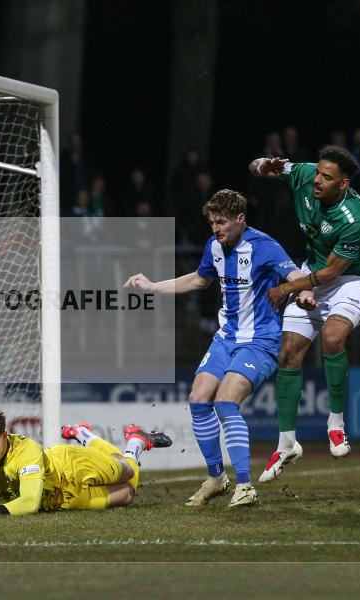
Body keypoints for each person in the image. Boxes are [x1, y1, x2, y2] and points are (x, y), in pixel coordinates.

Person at [124, 189, 303, 507]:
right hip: (226, 337)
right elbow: (198, 279)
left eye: (221, 222)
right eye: (211, 223)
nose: (216, 229)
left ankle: (245, 486)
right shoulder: (214, 247)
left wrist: (302, 291)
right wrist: (153, 286)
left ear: (240, 219)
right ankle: (217, 478)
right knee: (197, 398)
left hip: (261, 341)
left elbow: (295, 274)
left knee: (225, 401)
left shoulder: (265, 246)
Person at [251, 145, 360, 482]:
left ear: (344, 183)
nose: (318, 180)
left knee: (333, 338)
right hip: (313, 272)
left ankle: (335, 424)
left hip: (350, 279)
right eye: (319, 172)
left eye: (327, 177)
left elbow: (332, 274)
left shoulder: (355, 218)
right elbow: (256, 166)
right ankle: (286, 444)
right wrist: (265, 165)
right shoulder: (305, 174)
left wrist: (287, 288)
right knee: (288, 352)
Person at [0, 406, 171, 516]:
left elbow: (29, 502)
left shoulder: (27, 451)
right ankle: (137, 441)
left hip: (72, 468)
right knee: (127, 495)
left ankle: (90, 435)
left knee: (127, 470)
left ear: (4, 436)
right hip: (62, 500)